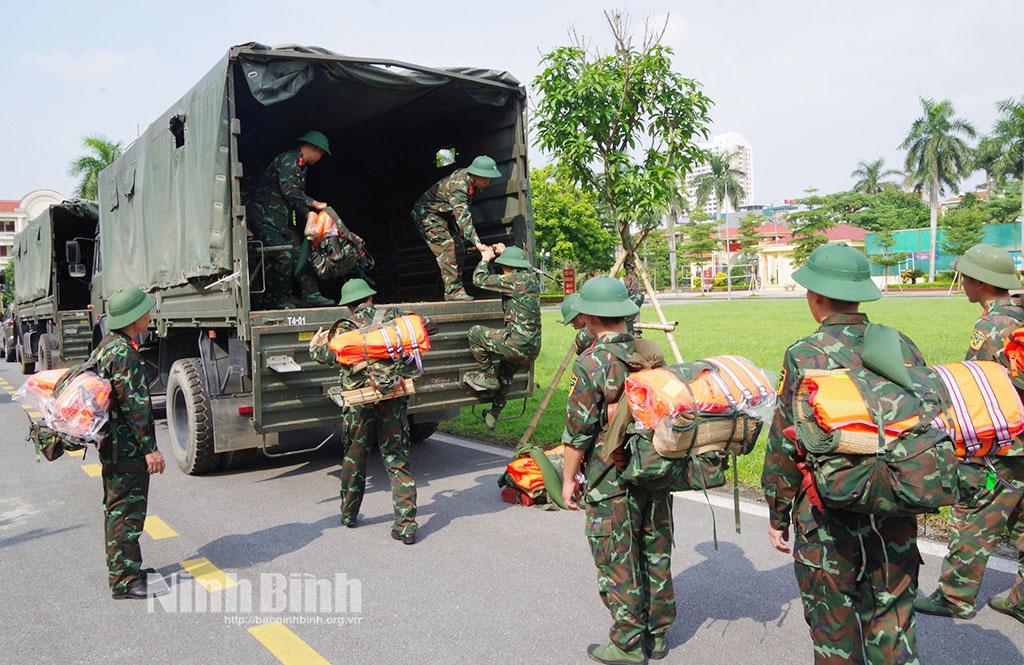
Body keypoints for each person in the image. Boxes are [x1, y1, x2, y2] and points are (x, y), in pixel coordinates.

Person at [762, 243, 926, 664]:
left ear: (814, 297)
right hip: (894, 501)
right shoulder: (900, 344)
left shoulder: (804, 354)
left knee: (834, 627)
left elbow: (786, 440)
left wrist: (778, 512)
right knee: (893, 621)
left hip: (827, 512)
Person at [561, 277, 675, 665]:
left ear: (590, 317)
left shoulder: (591, 363)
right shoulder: (650, 353)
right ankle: (657, 635)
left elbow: (577, 434)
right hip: (655, 469)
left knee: (617, 556)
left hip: (609, 478)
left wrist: (567, 479)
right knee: (654, 548)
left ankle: (627, 643)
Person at [914, 243, 1024, 624]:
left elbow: (977, 384)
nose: (962, 283)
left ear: (978, 281)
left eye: (965, 277)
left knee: (975, 516)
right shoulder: (1021, 311)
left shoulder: (992, 324)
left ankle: (954, 597)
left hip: (1005, 440)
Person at [309, 278, 418, 544]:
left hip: (359, 402)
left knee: (354, 458)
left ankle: (349, 514)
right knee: (396, 459)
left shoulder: (344, 328)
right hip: (392, 398)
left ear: (349, 306)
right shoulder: (391, 319)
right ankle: (406, 525)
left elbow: (323, 357)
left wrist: (316, 343)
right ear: (370, 299)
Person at [94, 287, 166, 599]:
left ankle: (128, 568)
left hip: (114, 445)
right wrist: (150, 449)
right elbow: (136, 408)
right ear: (134, 318)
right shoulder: (125, 355)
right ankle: (124, 580)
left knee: (118, 509)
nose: (150, 317)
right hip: (126, 450)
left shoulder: (108, 346)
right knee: (126, 512)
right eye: (146, 312)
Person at [247, 131, 334, 309]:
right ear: (314, 149)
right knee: (283, 257)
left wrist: (307, 214)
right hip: (266, 219)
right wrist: (314, 204)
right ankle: (278, 301)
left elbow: (295, 199)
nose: (321, 157)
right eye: (322, 153)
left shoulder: (301, 166)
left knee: (301, 254)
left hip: (282, 222)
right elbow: (290, 191)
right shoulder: (288, 160)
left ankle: (312, 295)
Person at [463, 244, 541, 429]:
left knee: (475, 333)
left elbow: (479, 279)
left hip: (515, 344)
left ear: (509, 267)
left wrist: (485, 258)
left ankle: (489, 376)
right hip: (532, 348)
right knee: (506, 374)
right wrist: (505, 252)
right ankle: (493, 414)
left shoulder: (513, 281)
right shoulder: (531, 280)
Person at [410, 155, 502, 301]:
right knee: (447, 246)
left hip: (442, 216)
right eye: (486, 178)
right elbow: (463, 217)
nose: (488, 182)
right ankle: (454, 292)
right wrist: (477, 243)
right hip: (427, 215)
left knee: (459, 246)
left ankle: (453, 290)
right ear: (476, 175)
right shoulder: (459, 185)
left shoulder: (470, 183)